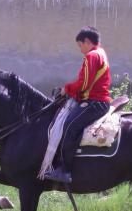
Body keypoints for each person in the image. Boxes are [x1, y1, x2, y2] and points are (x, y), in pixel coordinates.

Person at [44, 26, 111, 184]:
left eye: (80, 45)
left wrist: (66, 89)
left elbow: (84, 85)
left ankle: (65, 170)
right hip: (97, 101)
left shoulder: (92, 56)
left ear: (87, 42)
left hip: (95, 103)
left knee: (69, 125)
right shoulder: (101, 53)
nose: (81, 50)